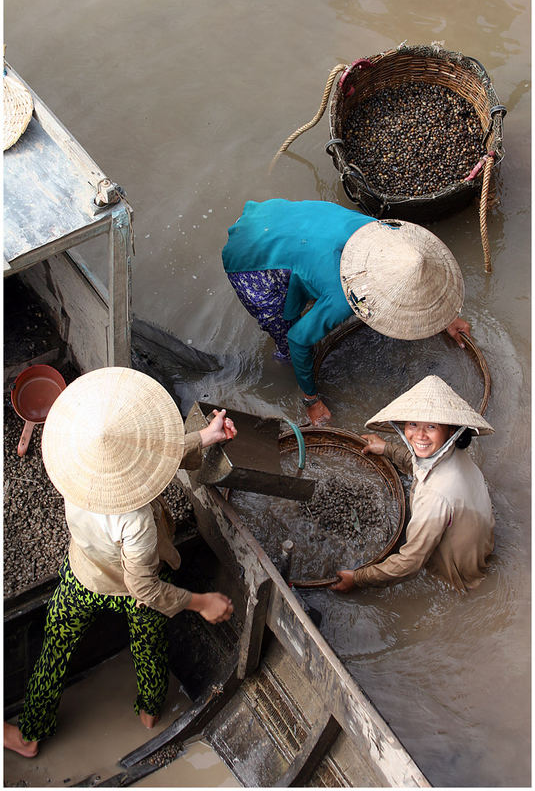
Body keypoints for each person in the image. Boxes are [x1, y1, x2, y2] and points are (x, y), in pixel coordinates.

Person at [4, 367, 237, 759]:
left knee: (56, 645)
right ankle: (149, 713)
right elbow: (144, 589)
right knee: (149, 644)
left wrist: (204, 436)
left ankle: (30, 735)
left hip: (82, 575)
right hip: (133, 591)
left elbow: (149, 458)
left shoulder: (71, 465)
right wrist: (201, 602)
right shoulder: (137, 522)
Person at [222, 199, 471, 426]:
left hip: (277, 217)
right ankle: (282, 363)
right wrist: (311, 400)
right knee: (288, 340)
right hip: (249, 257)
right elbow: (298, 339)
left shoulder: (388, 235)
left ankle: (306, 286)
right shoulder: (344, 295)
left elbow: (420, 277)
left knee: (310, 280)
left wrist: (447, 316)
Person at [331, 375, 495, 595]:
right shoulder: (452, 454)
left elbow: (410, 564)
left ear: (450, 431)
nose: (419, 435)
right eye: (413, 424)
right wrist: (387, 449)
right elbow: (419, 465)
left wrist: (358, 578)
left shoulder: (435, 497)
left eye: (431, 426)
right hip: (480, 544)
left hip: (459, 576)